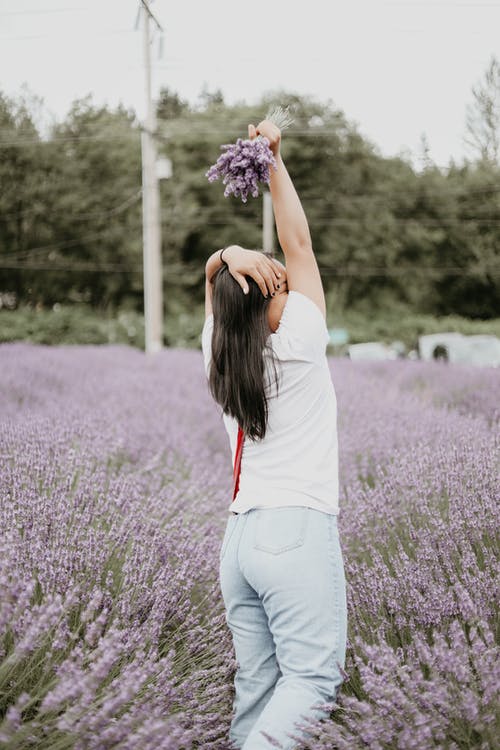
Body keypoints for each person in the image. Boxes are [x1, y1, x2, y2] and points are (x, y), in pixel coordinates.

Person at [201, 119, 347, 750]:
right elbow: (301, 244)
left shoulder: (219, 351)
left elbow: (216, 289)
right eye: (277, 283)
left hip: (240, 541)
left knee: (259, 685)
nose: (288, 280)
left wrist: (230, 257)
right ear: (266, 303)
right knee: (313, 681)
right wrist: (275, 162)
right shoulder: (302, 343)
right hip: (294, 531)